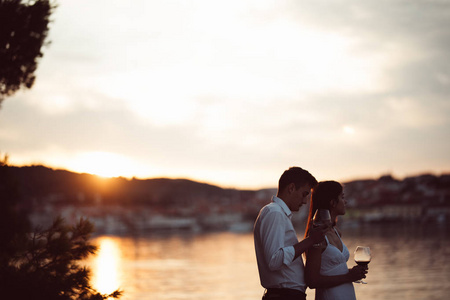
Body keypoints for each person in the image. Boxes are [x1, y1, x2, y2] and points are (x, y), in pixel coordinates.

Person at [254, 167, 327, 300]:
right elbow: (274, 260)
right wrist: (310, 240)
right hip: (284, 296)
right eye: (304, 194)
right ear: (291, 188)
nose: (305, 201)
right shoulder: (274, 213)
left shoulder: (278, 213)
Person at [304, 181, 368, 300]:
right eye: (342, 197)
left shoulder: (336, 232)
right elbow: (312, 281)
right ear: (332, 202)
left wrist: (354, 273)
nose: (346, 201)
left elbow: (333, 271)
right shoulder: (318, 235)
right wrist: (349, 277)